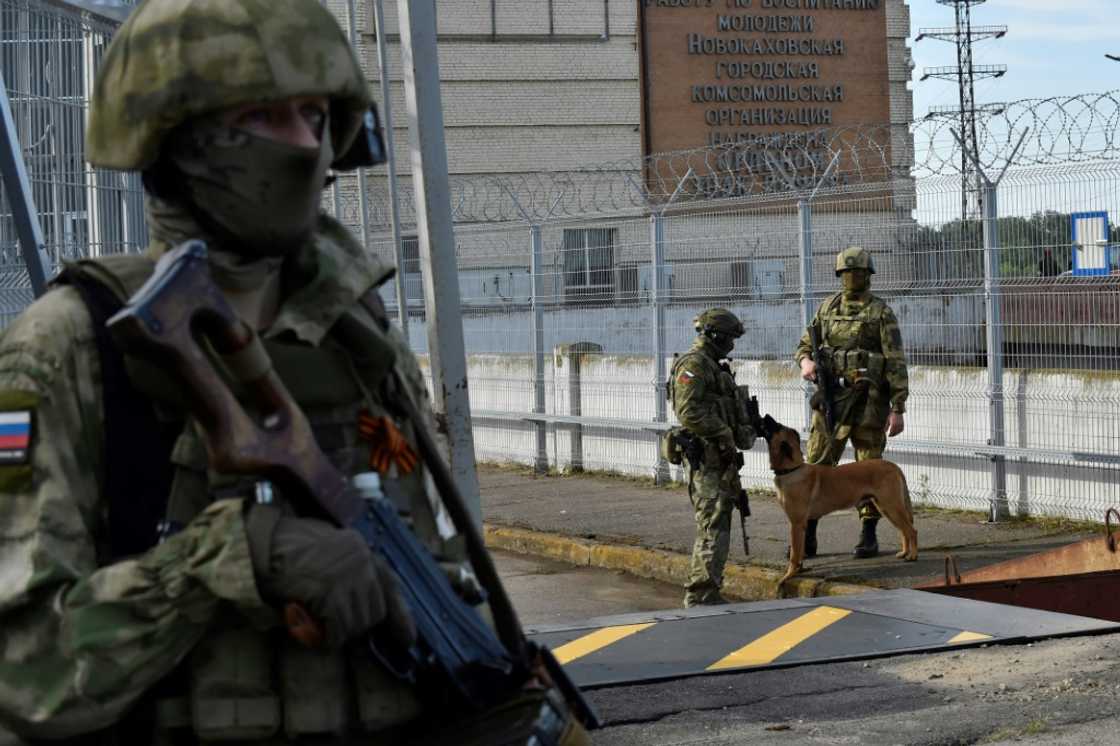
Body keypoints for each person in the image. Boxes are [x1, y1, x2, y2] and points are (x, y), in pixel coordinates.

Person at [0, 2, 586, 744]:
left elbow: (439, 554)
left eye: (315, 115)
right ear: (175, 138)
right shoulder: (71, 347)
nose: (305, 144)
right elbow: (23, 677)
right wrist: (228, 558)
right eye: (265, 117)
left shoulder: (353, 328)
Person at [794, 246, 909, 559]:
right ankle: (809, 535)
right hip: (832, 400)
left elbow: (895, 361)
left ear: (868, 275)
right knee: (817, 465)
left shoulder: (880, 312)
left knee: (868, 468)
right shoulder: (827, 308)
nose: (853, 278)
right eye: (848, 273)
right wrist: (806, 362)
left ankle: (868, 535)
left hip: (869, 401)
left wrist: (898, 407)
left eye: (858, 272)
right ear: (840, 275)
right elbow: (805, 345)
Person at [669, 308, 747, 607]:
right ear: (715, 336)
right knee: (712, 523)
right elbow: (688, 412)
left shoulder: (714, 366)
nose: (731, 345)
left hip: (720, 457)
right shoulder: (694, 365)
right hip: (707, 457)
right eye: (729, 338)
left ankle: (709, 589)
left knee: (719, 520)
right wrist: (724, 432)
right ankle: (700, 594)